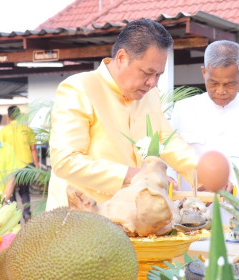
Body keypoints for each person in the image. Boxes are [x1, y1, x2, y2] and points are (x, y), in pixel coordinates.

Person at [46, 18, 199, 210]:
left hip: (131, 217)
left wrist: (202, 176)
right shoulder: (79, 88)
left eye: (158, 75)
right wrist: (134, 175)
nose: (153, 83)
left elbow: (167, 141)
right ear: (121, 58)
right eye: (147, 72)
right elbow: (65, 161)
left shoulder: (150, 96)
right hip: (80, 220)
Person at [170, 40, 239, 193]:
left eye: (229, 84)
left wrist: (233, 186)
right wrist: (170, 179)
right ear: (204, 72)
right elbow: (169, 157)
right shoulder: (183, 109)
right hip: (191, 209)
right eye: (213, 83)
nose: (221, 91)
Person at [0, 105, 39, 221]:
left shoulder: (3, 131)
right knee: (24, 191)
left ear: (8, 117)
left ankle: (14, 216)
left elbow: (0, 150)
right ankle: (27, 214)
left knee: (10, 193)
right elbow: (33, 149)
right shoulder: (27, 130)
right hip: (25, 165)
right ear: (20, 116)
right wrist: (36, 166)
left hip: (9, 167)